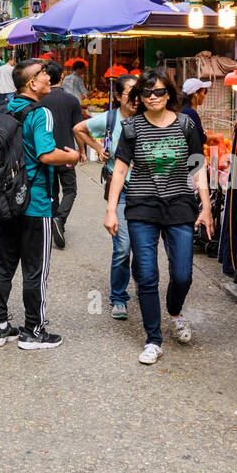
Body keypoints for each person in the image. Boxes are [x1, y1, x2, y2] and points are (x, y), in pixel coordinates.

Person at [104, 69, 213, 364]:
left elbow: (198, 166)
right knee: (148, 275)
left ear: (170, 95)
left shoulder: (186, 125)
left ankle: (175, 312)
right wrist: (112, 209)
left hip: (179, 206)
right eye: (148, 93)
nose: (154, 97)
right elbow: (121, 170)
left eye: (160, 92)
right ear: (139, 96)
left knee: (182, 274)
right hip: (142, 207)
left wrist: (206, 206)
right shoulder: (132, 128)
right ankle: (153, 339)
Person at [0, 59, 80, 350]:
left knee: (3, 264)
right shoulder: (41, 113)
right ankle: (33, 331)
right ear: (31, 83)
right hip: (35, 201)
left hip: (5, 199)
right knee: (35, 270)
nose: (49, 78)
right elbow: (46, 155)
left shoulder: (7, 108)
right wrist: (73, 157)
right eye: (43, 74)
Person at [82, 75, 137, 319]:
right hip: (122, 189)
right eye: (131, 94)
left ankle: (147, 293)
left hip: (148, 193)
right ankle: (118, 296)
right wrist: (97, 149)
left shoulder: (149, 119)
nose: (137, 99)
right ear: (117, 97)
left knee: (144, 248)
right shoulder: (111, 118)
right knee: (123, 247)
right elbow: (79, 129)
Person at [41, 60, 85, 250]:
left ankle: (54, 222)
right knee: (70, 189)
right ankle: (60, 218)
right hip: (67, 152)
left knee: (51, 191)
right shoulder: (72, 100)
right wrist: (81, 150)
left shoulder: (40, 100)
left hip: (46, 152)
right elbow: (78, 129)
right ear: (61, 77)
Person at [180, 77, 211, 142]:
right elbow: (201, 138)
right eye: (204, 92)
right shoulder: (190, 113)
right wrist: (214, 138)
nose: (204, 96)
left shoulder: (185, 110)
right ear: (196, 94)